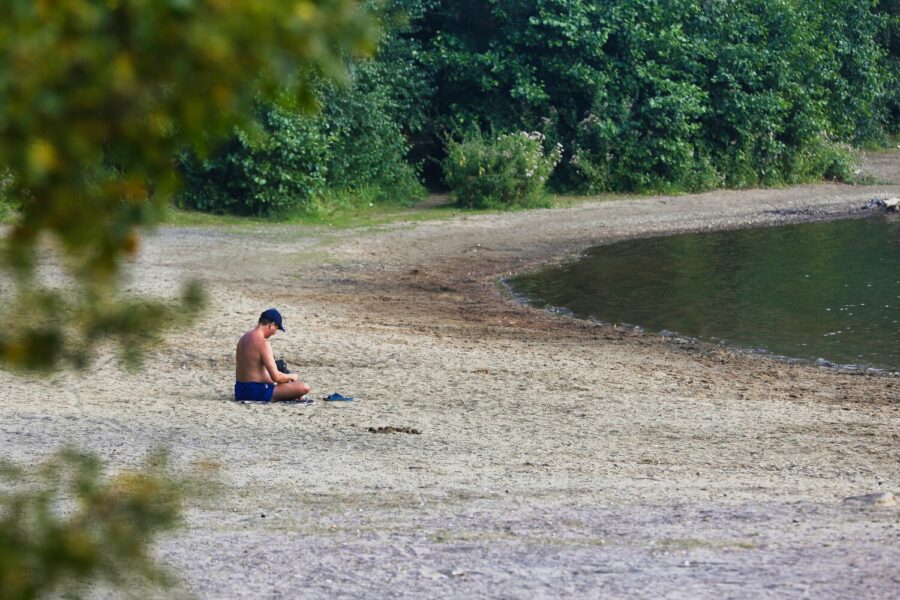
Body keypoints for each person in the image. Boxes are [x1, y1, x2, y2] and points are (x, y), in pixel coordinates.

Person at [234, 308, 311, 402]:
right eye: (276, 329)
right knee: (304, 387)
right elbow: (276, 377)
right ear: (272, 325)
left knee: (281, 371)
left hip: (240, 391)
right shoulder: (263, 342)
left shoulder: (244, 338)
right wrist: (292, 377)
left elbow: (254, 371)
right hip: (255, 391)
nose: (274, 333)